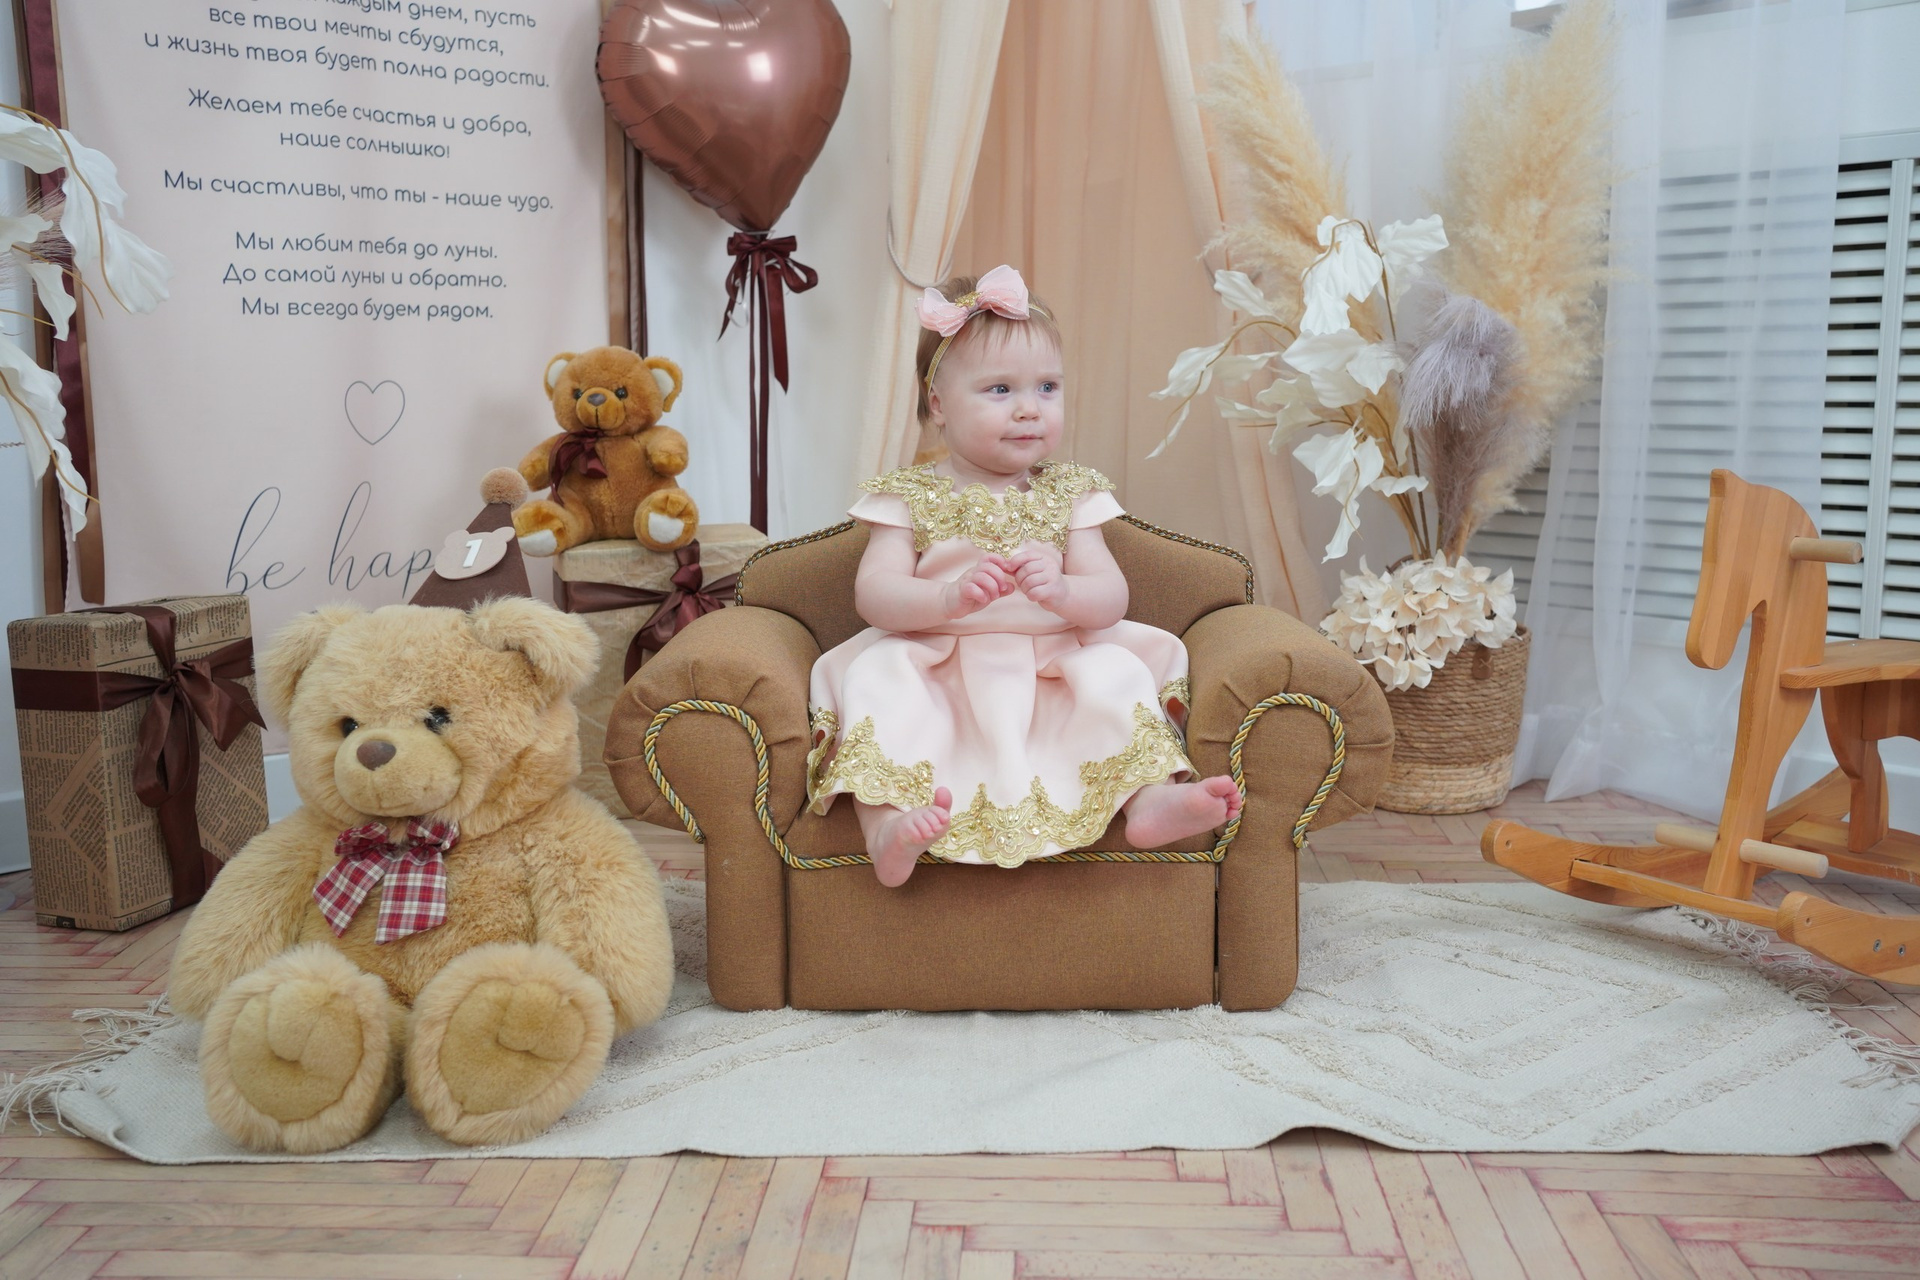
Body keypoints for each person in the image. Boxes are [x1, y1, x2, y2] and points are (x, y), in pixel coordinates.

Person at [807, 265, 1243, 886]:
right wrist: (947, 596)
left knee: (1116, 677)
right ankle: (885, 830)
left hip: (1052, 660)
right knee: (878, 683)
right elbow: (874, 594)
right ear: (938, 404)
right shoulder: (906, 495)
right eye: (1000, 389)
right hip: (938, 660)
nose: (1029, 409)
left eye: (1047, 387)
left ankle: (1148, 800)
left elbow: (1111, 597)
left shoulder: (1071, 493)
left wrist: (1064, 592)